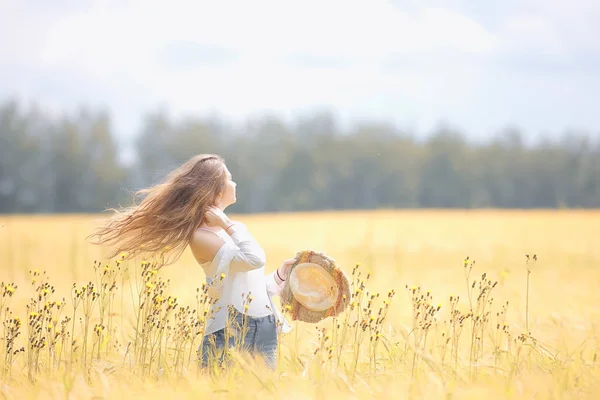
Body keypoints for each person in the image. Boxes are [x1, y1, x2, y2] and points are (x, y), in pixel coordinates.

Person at [88, 154, 293, 370]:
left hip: (265, 330)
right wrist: (228, 223)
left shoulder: (229, 231)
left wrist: (280, 276)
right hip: (232, 331)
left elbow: (247, 285)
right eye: (230, 178)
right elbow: (254, 259)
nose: (235, 183)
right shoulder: (202, 237)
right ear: (217, 190)